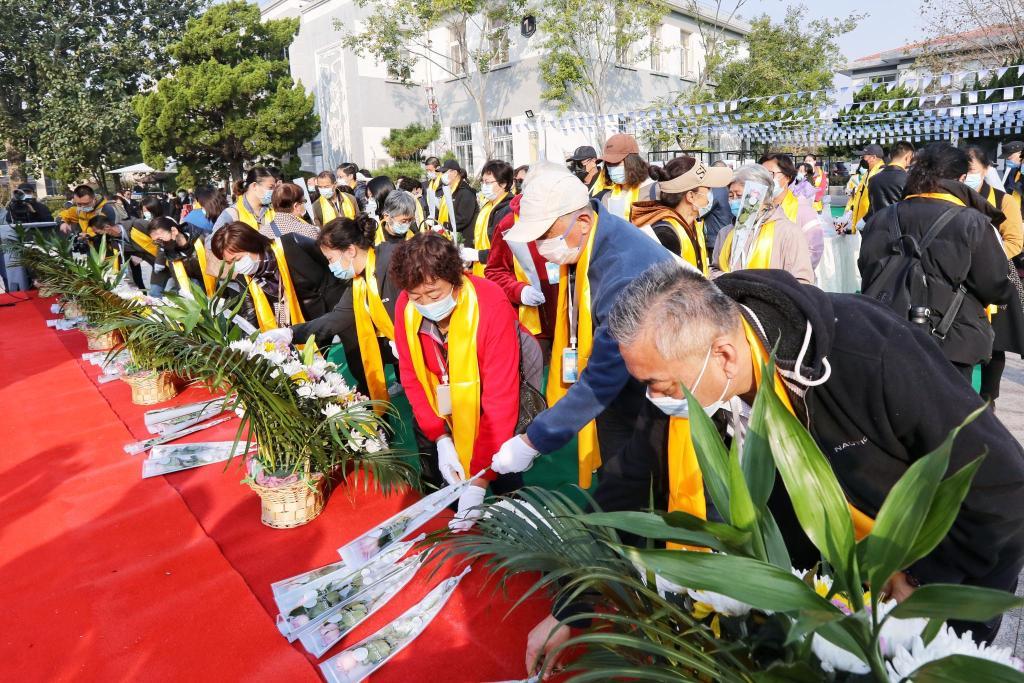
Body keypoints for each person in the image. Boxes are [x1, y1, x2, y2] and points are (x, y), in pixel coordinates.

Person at [601, 260, 1024, 646]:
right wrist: (575, 607)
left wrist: (922, 580)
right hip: (814, 594)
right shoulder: (685, 374)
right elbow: (626, 484)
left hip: (927, 579)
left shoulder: (868, 356)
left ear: (725, 356)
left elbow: (1002, 487)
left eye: (658, 383)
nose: (653, 396)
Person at [487, 162, 674, 499]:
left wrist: (533, 440)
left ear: (583, 221)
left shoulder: (623, 273)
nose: (543, 247)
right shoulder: (590, 240)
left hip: (661, 391)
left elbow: (604, 376)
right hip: (625, 391)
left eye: (545, 235)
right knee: (618, 483)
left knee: (664, 488)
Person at [391, 232, 537, 527]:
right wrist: (440, 437)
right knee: (450, 473)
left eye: (434, 295)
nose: (425, 303)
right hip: (445, 403)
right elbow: (411, 376)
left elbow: (499, 399)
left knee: (503, 469)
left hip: (493, 399)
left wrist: (479, 483)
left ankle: (516, 517)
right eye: (416, 296)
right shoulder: (406, 306)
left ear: (456, 280)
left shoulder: (490, 302)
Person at [860, 143, 1014, 381]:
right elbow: (993, 284)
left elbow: (868, 270)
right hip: (953, 342)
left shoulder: (881, 218)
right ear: (961, 177)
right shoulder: (972, 222)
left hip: (889, 332)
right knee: (948, 414)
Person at [290, 215, 400, 398]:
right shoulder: (358, 282)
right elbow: (336, 318)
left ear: (350, 250)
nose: (331, 266)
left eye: (331, 259)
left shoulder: (393, 261)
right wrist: (291, 334)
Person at [964, 145, 1024, 409]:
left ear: (986, 169)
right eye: (963, 171)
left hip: (995, 276)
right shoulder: (956, 199)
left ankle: (988, 398)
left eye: (972, 170)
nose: (967, 176)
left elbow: (1015, 241)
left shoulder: (1003, 200)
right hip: (961, 277)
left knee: (995, 341)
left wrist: (989, 260)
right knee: (963, 337)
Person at [210, 222, 336, 331]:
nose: (236, 266)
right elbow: (250, 313)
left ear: (252, 245)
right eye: (229, 262)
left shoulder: (291, 244)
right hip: (301, 329)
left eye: (237, 259)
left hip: (332, 313)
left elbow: (329, 262)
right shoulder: (246, 278)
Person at [712, 165, 815, 284]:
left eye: (739, 196)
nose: (733, 201)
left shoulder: (788, 232)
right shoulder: (726, 232)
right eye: (730, 196)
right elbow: (714, 269)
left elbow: (802, 281)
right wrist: (728, 280)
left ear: (759, 196)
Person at [485, 193, 558, 358]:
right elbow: (494, 271)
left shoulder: (567, 215)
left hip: (571, 317)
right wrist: (519, 291)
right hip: (535, 323)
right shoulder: (509, 225)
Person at [631, 156, 731, 272]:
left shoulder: (691, 224)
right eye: (708, 188)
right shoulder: (665, 235)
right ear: (691, 196)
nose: (711, 192)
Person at [759, 153, 823, 268]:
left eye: (770, 174)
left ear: (787, 177)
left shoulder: (801, 208)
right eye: (761, 175)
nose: (765, 180)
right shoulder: (756, 207)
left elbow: (814, 250)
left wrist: (794, 276)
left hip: (790, 281)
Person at [461, 159, 514, 276]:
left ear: (503, 183)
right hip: (482, 268)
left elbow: (508, 251)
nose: (484, 186)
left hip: (500, 274)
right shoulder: (488, 205)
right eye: (483, 182)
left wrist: (478, 255)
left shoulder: (508, 210)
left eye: (488, 182)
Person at [147, 216, 217, 298]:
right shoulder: (171, 255)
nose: (160, 244)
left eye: (160, 239)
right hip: (203, 294)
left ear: (174, 231)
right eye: (156, 242)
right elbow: (180, 283)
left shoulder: (205, 239)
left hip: (220, 287)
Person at [594, 133, 652, 221]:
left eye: (616, 162)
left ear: (632, 161)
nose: (611, 168)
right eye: (608, 163)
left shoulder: (652, 191)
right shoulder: (606, 197)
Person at [837, 144, 886, 232]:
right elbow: (860, 196)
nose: (862, 159)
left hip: (872, 223)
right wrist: (850, 213)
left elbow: (879, 202)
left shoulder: (881, 173)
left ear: (873, 157)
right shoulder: (868, 173)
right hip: (861, 222)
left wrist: (866, 219)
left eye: (864, 156)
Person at [865, 140, 915, 224]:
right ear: (908, 157)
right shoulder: (910, 179)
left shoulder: (873, 179)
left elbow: (871, 209)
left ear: (890, 156)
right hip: (900, 230)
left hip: (879, 228)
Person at [213, 167, 277, 232]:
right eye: (270, 187)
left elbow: (279, 236)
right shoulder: (232, 214)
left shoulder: (273, 211)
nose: (274, 191)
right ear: (254, 186)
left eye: (275, 188)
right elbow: (213, 240)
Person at [435, 159, 478, 239]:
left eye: (444, 172)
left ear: (454, 173)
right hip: (448, 235)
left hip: (461, 239)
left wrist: (444, 226)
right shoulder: (449, 191)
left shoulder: (465, 192)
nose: (441, 175)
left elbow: (463, 219)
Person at [702, 161, 735, 260]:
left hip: (715, 239)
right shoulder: (729, 189)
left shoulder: (716, 190)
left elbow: (701, 211)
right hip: (728, 236)